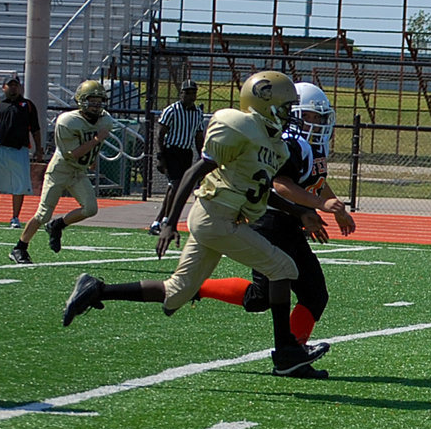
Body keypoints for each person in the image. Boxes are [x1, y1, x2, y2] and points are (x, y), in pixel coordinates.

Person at [59, 71, 332, 378]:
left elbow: (260, 187)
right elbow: (194, 172)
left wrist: (299, 213)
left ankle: (96, 289)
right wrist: (168, 223)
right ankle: (286, 352)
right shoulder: (239, 126)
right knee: (283, 268)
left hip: (220, 218)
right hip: (216, 218)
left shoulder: (274, 145)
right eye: (284, 108)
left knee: (176, 292)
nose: (288, 116)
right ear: (263, 104)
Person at [194, 82, 350, 378]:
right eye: (312, 116)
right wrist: (315, 206)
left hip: (286, 222)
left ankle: (291, 352)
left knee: (291, 295)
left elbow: (314, 179)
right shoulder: (288, 143)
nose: (318, 123)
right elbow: (281, 185)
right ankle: (290, 353)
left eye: (321, 117)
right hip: (270, 221)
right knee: (279, 295)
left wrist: (331, 204)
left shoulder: (307, 144)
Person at [9, 80, 114, 265]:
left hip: (78, 172)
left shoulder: (105, 120)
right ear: (82, 101)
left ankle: (58, 225)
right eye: (92, 100)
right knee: (43, 214)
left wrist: (93, 159)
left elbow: (94, 147)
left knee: (91, 209)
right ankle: (20, 247)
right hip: (61, 169)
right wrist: (97, 139)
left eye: (100, 101)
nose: (97, 105)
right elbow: (73, 154)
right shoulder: (68, 121)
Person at [0, 72, 44, 228]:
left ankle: (15, 217)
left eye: (16, 85)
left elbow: (35, 129)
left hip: (19, 149)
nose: (13, 88)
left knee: (19, 184)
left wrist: (38, 148)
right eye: (10, 85)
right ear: (3, 87)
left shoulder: (27, 105)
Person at [149, 79, 207, 236]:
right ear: (181, 93)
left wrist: (202, 155)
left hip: (186, 153)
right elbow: (160, 133)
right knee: (175, 186)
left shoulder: (197, 113)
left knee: (176, 188)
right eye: (187, 92)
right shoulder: (171, 110)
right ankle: (165, 220)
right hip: (171, 151)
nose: (190, 96)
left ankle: (159, 221)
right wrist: (160, 156)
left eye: (193, 92)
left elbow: (199, 136)